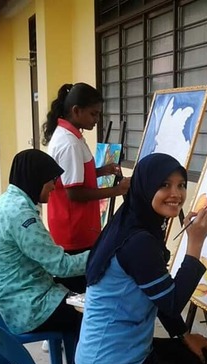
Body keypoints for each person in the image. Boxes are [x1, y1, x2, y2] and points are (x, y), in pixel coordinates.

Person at [75, 153, 207, 364]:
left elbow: (160, 294)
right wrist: (195, 244)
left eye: (181, 185)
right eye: (164, 185)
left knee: (196, 360)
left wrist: (182, 335)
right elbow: (172, 300)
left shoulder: (130, 221)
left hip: (107, 359)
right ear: (145, 186)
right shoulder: (139, 242)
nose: (175, 194)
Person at [0, 149, 86, 339]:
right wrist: (102, 253)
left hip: (13, 294)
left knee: (82, 282)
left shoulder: (6, 202)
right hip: (29, 308)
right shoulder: (21, 215)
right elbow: (61, 266)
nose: (54, 187)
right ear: (36, 178)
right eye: (52, 180)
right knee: (99, 315)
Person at [42, 82, 130, 294]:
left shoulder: (70, 136)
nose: (96, 119)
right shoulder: (69, 143)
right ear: (76, 111)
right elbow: (74, 193)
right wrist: (116, 191)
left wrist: (102, 170)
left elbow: (74, 177)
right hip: (74, 229)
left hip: (73, 225)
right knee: (80, 290)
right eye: (93, 114)